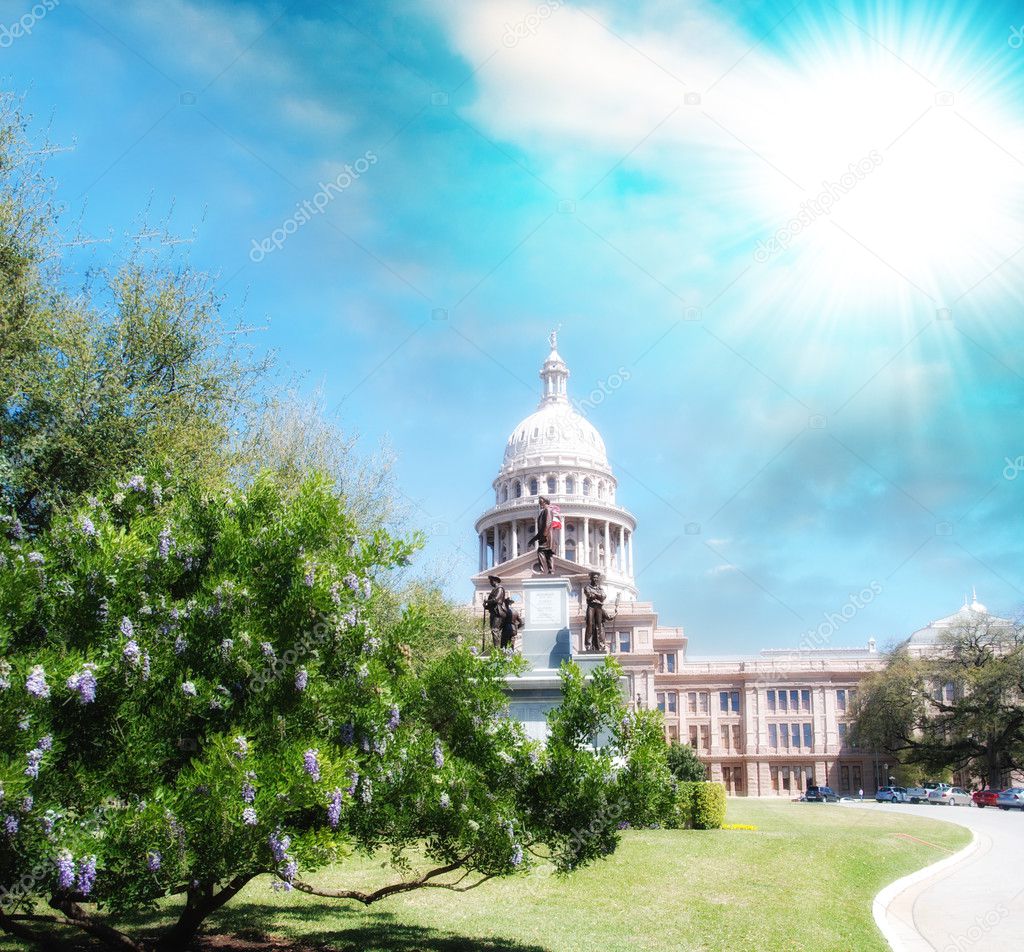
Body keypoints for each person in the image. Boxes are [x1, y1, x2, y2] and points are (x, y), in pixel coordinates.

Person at [526, 496, 555, 575]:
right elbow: (542, 528)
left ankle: (543, 570)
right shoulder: (544, 511)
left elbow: (548, 523)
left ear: (545, 501)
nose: (539, 502)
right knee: (548, 554)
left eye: (540, 500)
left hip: (546, 536)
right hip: (546, 535)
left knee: (541, 551)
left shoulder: (547, 510)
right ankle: (551, 571)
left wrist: (544, 535)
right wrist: (533, 540)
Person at [583, 571, 608, 651]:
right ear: (590, 578)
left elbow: (603, 596)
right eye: (594, 577)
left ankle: (600, 645)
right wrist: (598, 596)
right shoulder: (587, 587)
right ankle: (588, 645)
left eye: (597, 578)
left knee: (599, 626)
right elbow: (590, 596)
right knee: (590, 625)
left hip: (599, 608)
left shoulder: (600, 588)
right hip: (591, 607)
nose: (595, 579)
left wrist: (596, 595)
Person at [483, 575, 508, 649]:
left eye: (491, 581)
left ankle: (497, 650)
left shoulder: (500, 588)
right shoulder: (494, 589)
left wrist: (487, 601)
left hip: (498, 612)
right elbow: (492, 604)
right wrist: (486, 606)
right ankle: (497, 648)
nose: (490, 583)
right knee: (494, 630)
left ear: (495, 581)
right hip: (493, 612)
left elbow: (496, 600)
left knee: (495, 630)